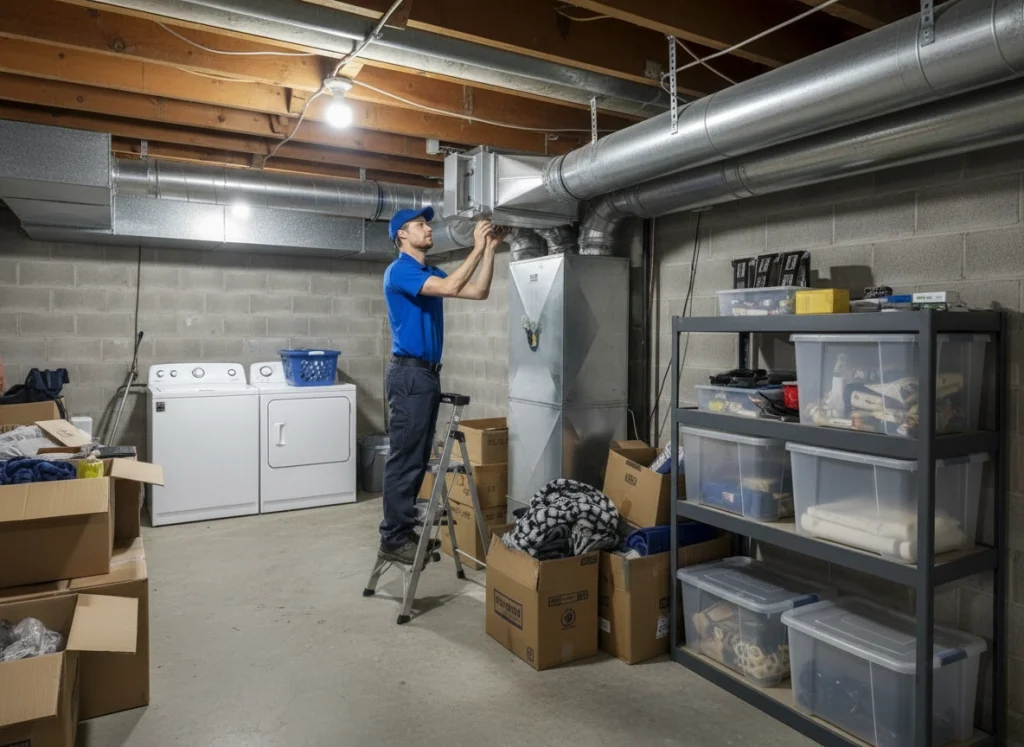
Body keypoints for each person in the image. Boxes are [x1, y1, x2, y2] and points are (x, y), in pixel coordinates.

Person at [379, 206, 504, 564]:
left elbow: (478, 292)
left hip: (426, 375)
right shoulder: (400, 270)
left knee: (417, 457)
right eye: (420, 225)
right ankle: (392, 537)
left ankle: (402, 530)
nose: (428, 229)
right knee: (405, 457)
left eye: (428, 224)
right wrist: (476, 248)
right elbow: (451, 287)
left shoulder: (427, 271)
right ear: (402, 234)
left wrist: (491, 250)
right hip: (410, 375)